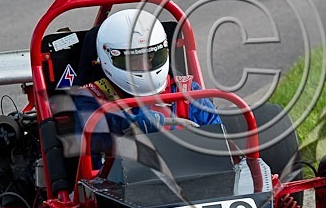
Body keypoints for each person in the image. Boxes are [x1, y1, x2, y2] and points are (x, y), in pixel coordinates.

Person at [73, 9, 221, 165]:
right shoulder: (90, 98)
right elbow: (91, 152)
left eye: (150, 57)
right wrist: (127, 125)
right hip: (123, 178)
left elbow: (221, 148)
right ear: (108, 57)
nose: (144, 67)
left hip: (192, 173)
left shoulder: (187, 92)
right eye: (133, 60)